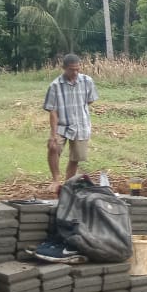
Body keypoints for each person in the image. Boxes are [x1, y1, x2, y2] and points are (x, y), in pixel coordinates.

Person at [44, 53, 98, 192]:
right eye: (71, 69)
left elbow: (90, 100)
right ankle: (56, 179)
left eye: (77, 69)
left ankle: (68, 184)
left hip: (81, 124)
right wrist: (53, 134)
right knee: (53, 148)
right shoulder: (55, 86)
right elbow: (53, 111)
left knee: (76, 156)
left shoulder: (87, 81)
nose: (74, 72)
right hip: (62, 125)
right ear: (64, 68)